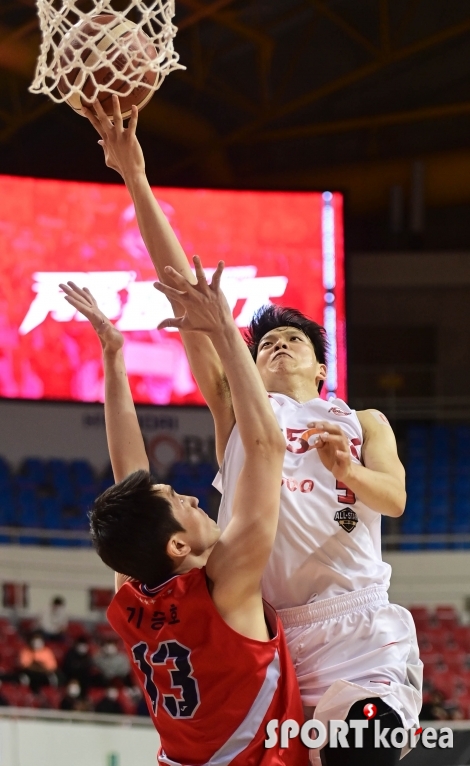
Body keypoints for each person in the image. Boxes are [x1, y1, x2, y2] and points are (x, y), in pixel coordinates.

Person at [84, 97, 423, 765]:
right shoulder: (238, 413)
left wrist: (349, 472)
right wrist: (136, 177)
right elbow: (185, 291)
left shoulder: (364, 420)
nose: (279, 346)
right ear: (251, 363)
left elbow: (396, 501)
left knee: (364, 744)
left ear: (321, 366)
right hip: (266, 623)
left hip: (353, 618)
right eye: (266, 341)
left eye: (294, 339)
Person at [60, 266, 308, 765]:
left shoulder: (134, 596)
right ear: (177, 545)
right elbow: (265, 445)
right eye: (183, 504)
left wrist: (113, 356)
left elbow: (128, 473)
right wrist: (223, 332)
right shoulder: (225, 590)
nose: (195, 499)